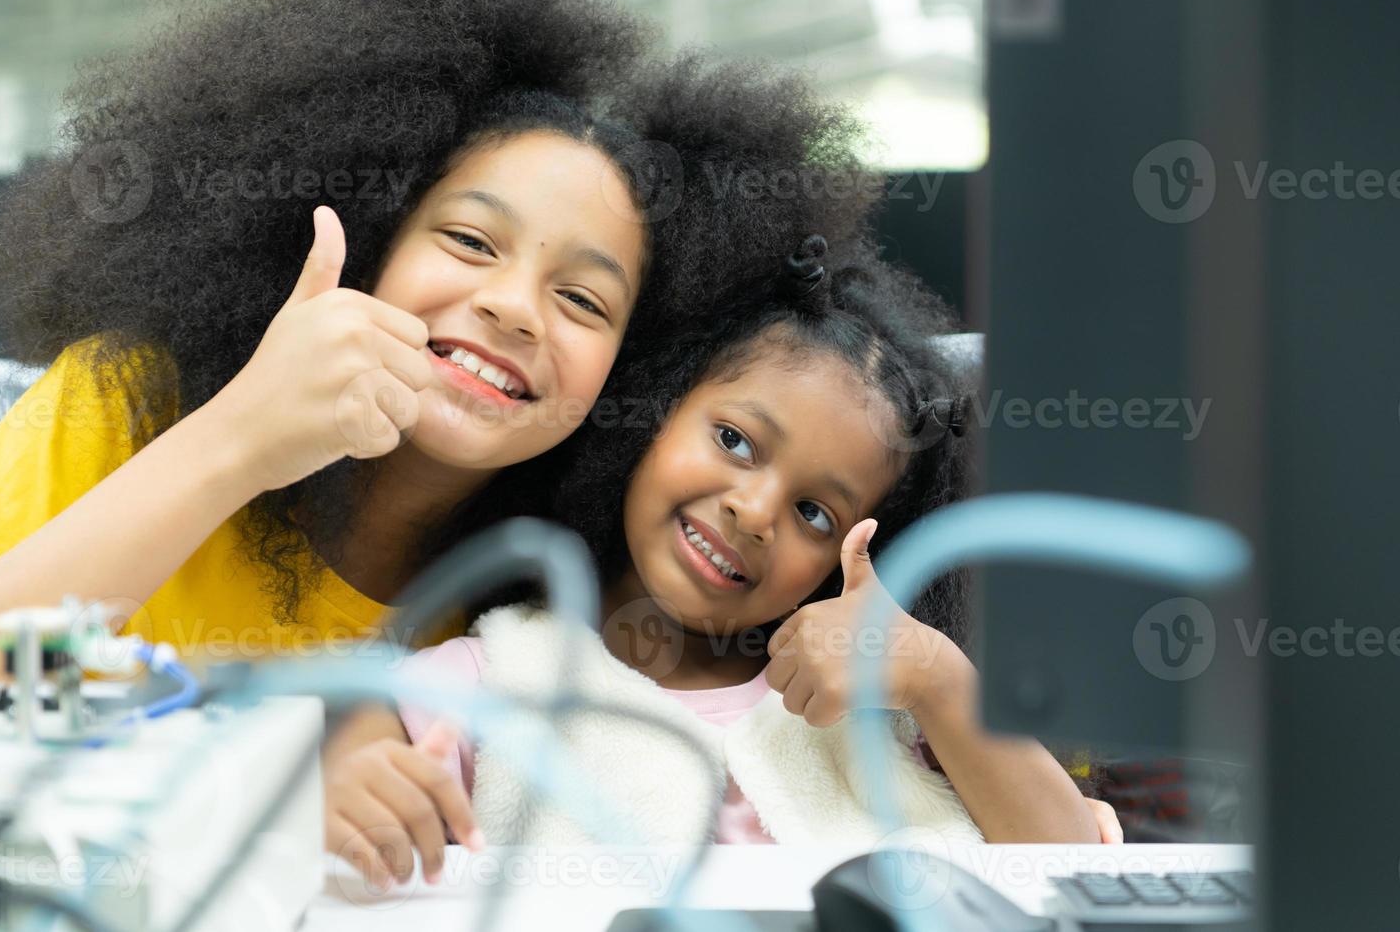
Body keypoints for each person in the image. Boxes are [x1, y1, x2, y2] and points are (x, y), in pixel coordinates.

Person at [0, 0, 876, 675]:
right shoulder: (127, 401)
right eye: (472, 242)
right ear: (372, 243)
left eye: (581, 300)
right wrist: (238, 440)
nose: (514, 308)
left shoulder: (528, 619)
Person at [324, 238, 1119, 890]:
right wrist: (352, 783)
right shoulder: (486, 681)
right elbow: (341, 774)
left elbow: (1072, 873)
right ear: (654, 413)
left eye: (815, 513)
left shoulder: (896, 713)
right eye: (734, 440)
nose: (753, 510)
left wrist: (936, 674)